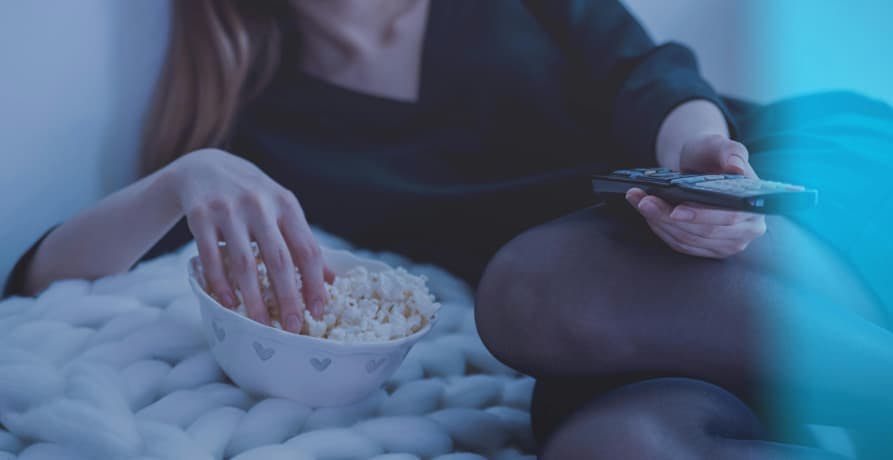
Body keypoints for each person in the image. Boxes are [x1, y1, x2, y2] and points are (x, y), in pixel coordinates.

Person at [4, 0, 891, 457]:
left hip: (773, 188)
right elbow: (39, 283)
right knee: (608, 446)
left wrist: (702, 157)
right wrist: (184, 176)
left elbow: (651, 79)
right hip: (605, 322)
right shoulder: (263, 125)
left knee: (532, 287)